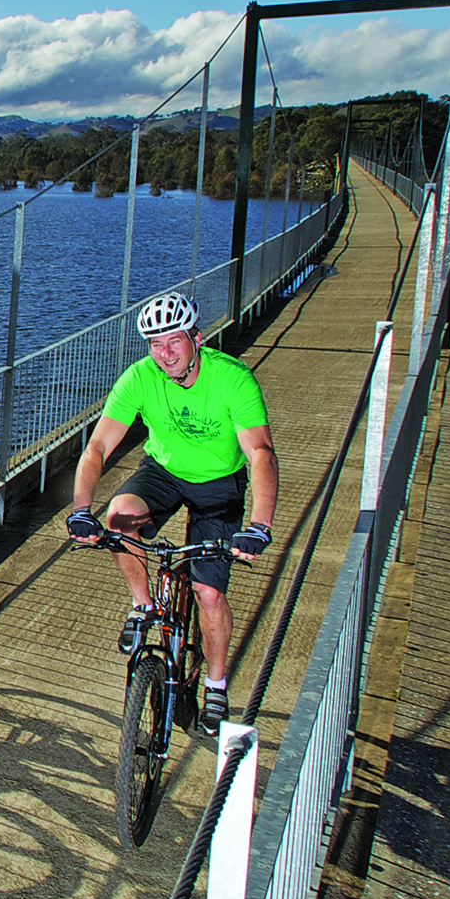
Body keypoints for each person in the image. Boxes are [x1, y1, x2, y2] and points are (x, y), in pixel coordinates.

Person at [65, 292, 277, 730]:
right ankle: (143, 606)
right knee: (119, 517)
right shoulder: (140, 377)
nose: (165, 354)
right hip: (163, 471)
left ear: (197, 338)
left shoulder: (232, 379)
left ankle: (215, 686)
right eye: (155, 344)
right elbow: (99, 446)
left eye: (174, 341)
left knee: (209, 594)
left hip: (220, 484)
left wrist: (259, 526)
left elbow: (259, 453)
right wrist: (80, 509)